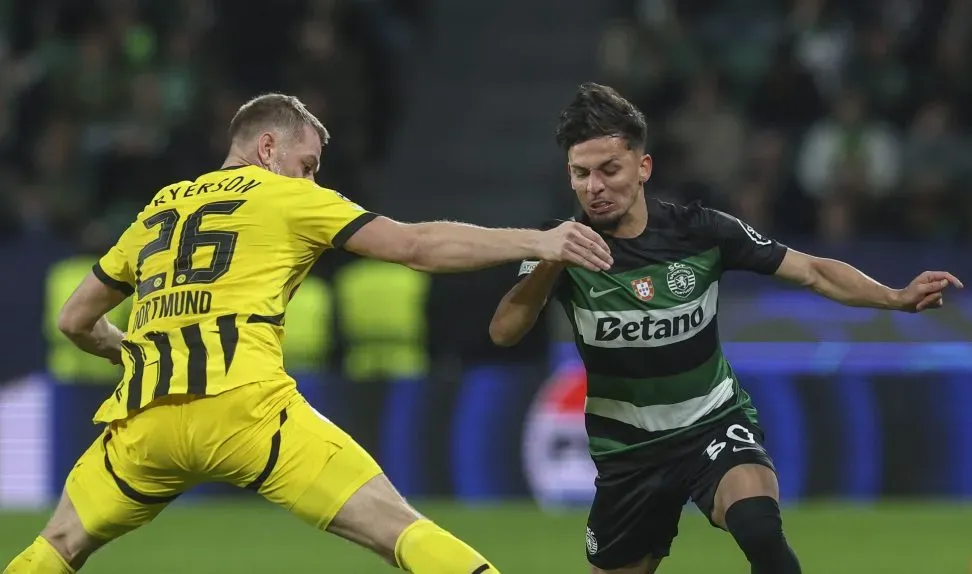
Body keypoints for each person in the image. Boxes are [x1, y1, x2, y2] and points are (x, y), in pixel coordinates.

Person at [3, 93, 614, 574]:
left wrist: (128, 352)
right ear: (268, 148)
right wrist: (538, 240)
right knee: (398, 528)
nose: (313, 182)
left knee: (57, 544)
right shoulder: (285, 198)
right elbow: (415, 245)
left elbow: (74, 320)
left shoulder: (162, 207)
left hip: (146, 425)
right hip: (247, 412)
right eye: (308, 165)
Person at [488, 83, 963, 574]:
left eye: (609, 170)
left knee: (759, 527)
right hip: (628, 455)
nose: (595, 187)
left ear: (643, 167)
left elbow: (813, 270)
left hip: (711, 424)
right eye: (581, 174)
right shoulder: (557, 244)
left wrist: (894, 297)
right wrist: (548, 261)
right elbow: (504, 331)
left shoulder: (701, 231)